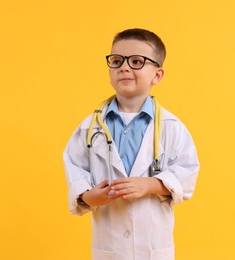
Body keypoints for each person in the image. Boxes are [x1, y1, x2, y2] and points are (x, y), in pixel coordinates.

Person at [63, 28, 199, 260]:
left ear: (157, 75)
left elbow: (186, 173)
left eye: (137, 61)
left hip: (153, 246)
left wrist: (150, 185)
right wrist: (87, 197)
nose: (124, 67)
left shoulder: (171, 126)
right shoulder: (90, 127)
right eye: (117, 61)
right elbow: (75, 167)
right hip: (110, 245)